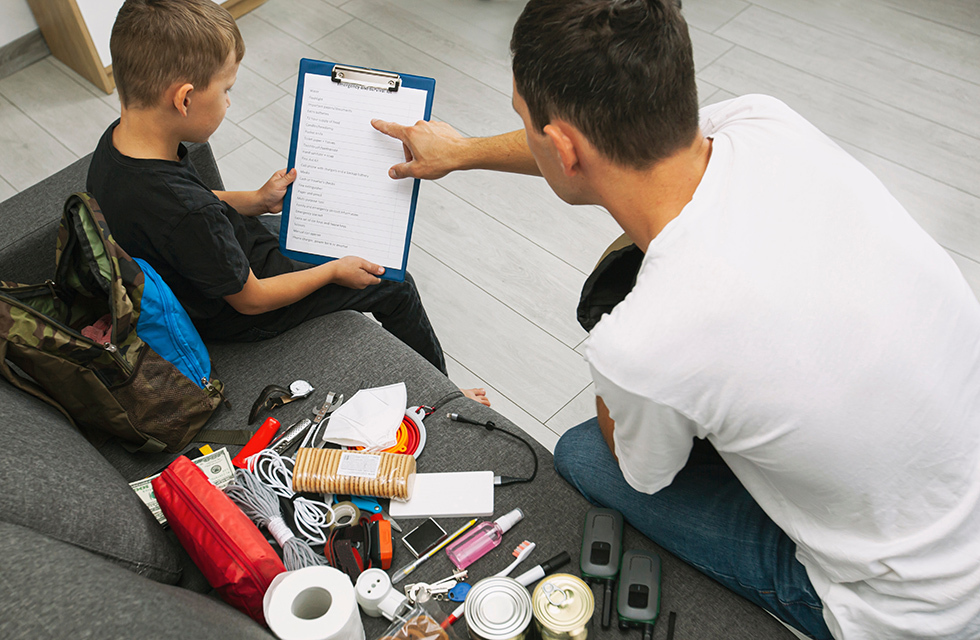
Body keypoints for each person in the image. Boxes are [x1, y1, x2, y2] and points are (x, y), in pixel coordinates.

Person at [371, 0, 980, 638]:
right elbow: (611, 146)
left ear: (562, 147)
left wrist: (616, 341)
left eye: (523, 120)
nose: (525, 132)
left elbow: (645, 472)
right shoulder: (764, 121)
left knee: (586, 454)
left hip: (919, 612)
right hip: (946, 477)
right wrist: (462, 151)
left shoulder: (643, 342)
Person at [86, 0, 488, 406]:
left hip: (213, 262)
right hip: (239, 306)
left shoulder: (120, 144)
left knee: (327, 228)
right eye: (226, 90)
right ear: (185, 99)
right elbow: (251, 299)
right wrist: (333, 272)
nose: (229, 101)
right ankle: (447, 397)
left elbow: (185, 206)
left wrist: (257, 200)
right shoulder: (190, 213)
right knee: (394, 284)